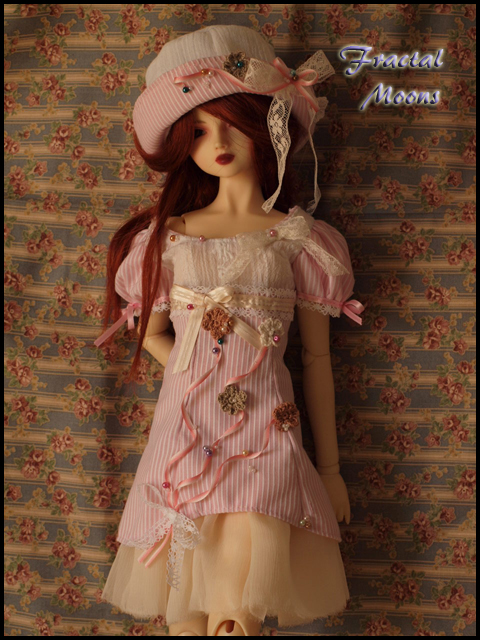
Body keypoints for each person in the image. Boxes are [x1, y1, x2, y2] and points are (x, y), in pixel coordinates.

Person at [95, 24, 364, 636]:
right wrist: (194, 366)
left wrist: (329, 470)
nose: (216, 142)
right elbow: (154, 334)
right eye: (198, 130)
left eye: (229, 123)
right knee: (185, 616)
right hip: (184, 438)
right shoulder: (168, 240)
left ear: (263, 124)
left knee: (236, 613)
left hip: (266, 438)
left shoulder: (300, 240)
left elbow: (317, 361)